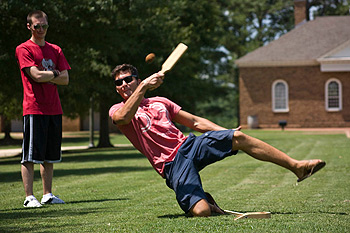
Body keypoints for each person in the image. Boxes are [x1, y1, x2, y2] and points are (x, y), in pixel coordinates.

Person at [109, 64, 326, 217]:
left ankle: (297, 166)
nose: (124, 84)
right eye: (119, 82)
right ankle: (207, 202)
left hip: (189, 146)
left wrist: (226, 131)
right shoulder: (117, 109)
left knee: (238, 137)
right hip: (171, 165)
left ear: (136, 79)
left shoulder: (160, 102)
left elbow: (195, 122)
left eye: (129, 79)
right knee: (201, 212)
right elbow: (122, 118)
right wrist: (144, 86)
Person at [15, 10, 70, 207]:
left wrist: (48, 74)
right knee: (30, 155)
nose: (41, 30)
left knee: (49, 156)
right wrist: (54, 73)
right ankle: (29, 197)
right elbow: (35, 76)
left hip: (54, 108)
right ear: (29, 26)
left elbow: (65, 79)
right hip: (34, 108)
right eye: (37, 26)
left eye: (44, 26)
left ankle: (47, 194)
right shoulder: (24, 49)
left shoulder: (55, 49)